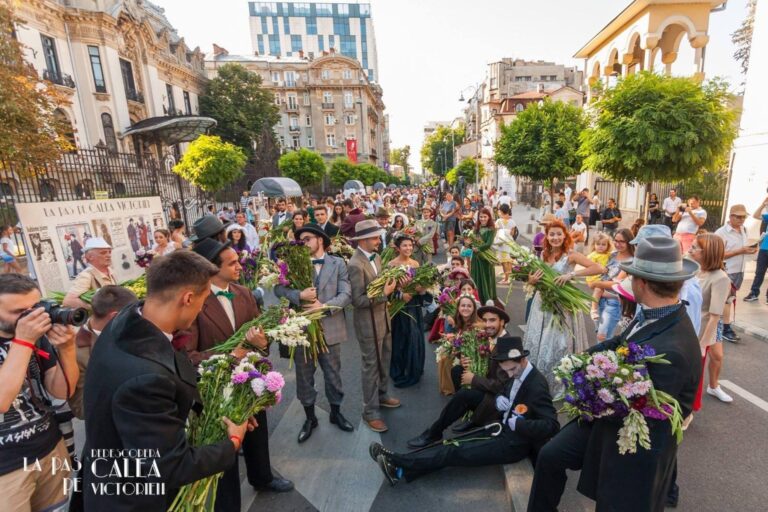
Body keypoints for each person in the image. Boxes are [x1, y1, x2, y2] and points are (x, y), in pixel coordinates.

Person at [528, 237, 702, 512]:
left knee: (615, 501)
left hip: (634, 437)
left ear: (642, 283)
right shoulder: (655, 312)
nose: (628, 280)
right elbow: (621, 344)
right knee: (550, 455)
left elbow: (644, 410)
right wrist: (582, 358)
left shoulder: (673, 348)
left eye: (631, 276)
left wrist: (587, 383)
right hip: (609, 415)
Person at [82, 251, 253, 510]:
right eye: (204, 301)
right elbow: (171, 465)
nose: (201, 310)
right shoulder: (145, 380)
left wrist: (220, 406)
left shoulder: (129, 318)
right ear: (188, 298)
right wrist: (233, 442)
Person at [183, 239, 293, 508]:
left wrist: (261, 344)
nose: (239, 266)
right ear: (211, 268)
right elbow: (188, 357)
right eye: (232, 262)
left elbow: (262, 339)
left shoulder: (244, 293)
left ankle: (262, 476)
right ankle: (228, 503)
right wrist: (238, 353)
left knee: (257, 434)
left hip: (251, 382)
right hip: (217, 389)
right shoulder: (195, 302)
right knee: (225, 448)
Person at [371, 336, 559, 485]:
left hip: (513, 444)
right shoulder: (516, 371)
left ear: (523, 359)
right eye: (507, 370)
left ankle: (397, 461)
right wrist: (502, 397)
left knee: (453, 452)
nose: (510, 374)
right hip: (500, 428)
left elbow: (552, 425)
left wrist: (520, 424)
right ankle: (401, 469)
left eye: (512, 370)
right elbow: (506, 387)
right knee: (450, 445)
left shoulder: (537, 385)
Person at [0, 274, 79, 512]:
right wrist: (23, 343)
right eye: (19, 312)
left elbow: (62, 391)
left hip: (49, 449)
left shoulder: (36, 337)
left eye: (34, 308)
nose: (31, 317)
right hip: (6, 469)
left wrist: (66, 348)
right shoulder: (28, 337)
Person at [274, 224, 354, 443]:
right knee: (304, 376)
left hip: (331, 327)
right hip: (301, 331)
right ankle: (310, 418)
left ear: (320, 239)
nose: (303, 243)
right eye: (300, 240)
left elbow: (346, 293)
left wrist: (323, 307)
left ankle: (336, 413)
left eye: (307, 239)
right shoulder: (292, 264)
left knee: (333, 373)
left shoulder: (338, 263)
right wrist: (298, 294)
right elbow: (278, 289)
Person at [409, 303, 512, 447]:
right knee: (457, 371)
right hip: (487, 384)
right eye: (485, 320)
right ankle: (468, 414)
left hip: (497, 399)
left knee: (464, 395)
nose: (488, 324)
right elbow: (482, 359)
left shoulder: (507, 345)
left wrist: (473, 378)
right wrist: (466, 360)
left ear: (502, 322)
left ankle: (434, 433)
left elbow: (502, 386)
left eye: (492, 320)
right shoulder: (490, 336)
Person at [523, 220, 604, 395]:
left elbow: (599, 267)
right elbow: (531, 279)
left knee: (560, 344)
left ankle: (560, 382)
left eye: (559, 234)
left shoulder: (571, 255)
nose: (555, 237)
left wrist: (572, 274)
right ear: (547, 236)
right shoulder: (542, 255)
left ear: (565, 235)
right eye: (551, 234)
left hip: (562, 306)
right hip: (542, 304)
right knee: (540, 341)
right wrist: (531, 281)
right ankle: (539, 382)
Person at [348, 220, 401, 432]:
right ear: (363, 240)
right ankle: (370, 411)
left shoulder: (377, 257)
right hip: (367, 324)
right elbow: (358, 301)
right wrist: (384, 295)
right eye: (375, 238)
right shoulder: (354, 264)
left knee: (384, 360)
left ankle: (382, 395)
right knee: (371, 366)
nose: (379, 241)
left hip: (384, 319)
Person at [69, 285, 138, 421]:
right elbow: (82, 409)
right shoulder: (77, 352)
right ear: (115, 317)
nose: (136, 321)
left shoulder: (129, 332)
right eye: (133, 316)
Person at [688, 234, 733, 410]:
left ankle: (710, 389)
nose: (689, 250)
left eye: (694, 248)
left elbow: (715, 316)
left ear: (708, 253)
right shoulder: (693, 268)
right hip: (687, 324)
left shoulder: (720, 278)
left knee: (713, 358)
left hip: (704, 328)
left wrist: (702, 345)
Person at [388, 234, 429, 388]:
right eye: (405, 246)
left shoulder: (415, 264)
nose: (408, 248)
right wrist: (400, 294)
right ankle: (400, 368)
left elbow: (420, 286)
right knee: (400, 337)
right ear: (398, 248)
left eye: (410, 245)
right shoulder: (391, 265)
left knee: (415, 336)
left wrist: (421, 288)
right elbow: (387, 289)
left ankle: (414, 366)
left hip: (414, 304)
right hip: (399, 306)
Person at [715, 204, 756, 343]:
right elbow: (717, 255)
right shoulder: (721, 233)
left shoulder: (744, 229)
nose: (741, 219)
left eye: (743, 217)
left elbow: (743, 249)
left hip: (740, 270)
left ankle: (719, 325)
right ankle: (726, 328)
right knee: (728, 300)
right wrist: (741, 251)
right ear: (730, 216)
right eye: (738, 216)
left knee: (728, 300)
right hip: (727, 270)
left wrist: (750, 250)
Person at [590, 229, 635, 342]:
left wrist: (596, 283)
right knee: (601, 334)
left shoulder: (631, 261)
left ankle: (601, 358)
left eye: (622, 241)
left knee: (603, 335)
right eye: (616, 240)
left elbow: (617, 284)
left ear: (629, 242)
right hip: (601, 299)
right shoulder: (612, 255)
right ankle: (600, 358)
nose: (618, 244)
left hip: (614, 302)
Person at [437, 294, 483, 395]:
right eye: (463, 305)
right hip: (462, 350)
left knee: (447, 358)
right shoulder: (459, 320)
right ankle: (450, 388)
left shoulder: (476, 326)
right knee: (443, 353)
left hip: (472, 357)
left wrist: (457, 350)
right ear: (458, 308)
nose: (465, 308)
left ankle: (453, 389)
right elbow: (458, 337)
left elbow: (475, 348)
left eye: (469, 306)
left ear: (474, 309)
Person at [63, 237, 116, 309]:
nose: (108, 255)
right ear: (90, 257)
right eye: (103, 253)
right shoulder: (86, 275)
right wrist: (97, 309)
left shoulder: (110, 271)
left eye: (109, 252)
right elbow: (69, 301)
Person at [470, 208, 498, 304]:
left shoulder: (492, 229)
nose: (482, 219)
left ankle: (487, 298)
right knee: (476, 276)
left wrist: (479, 249)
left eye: (485, 216)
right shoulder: (476, 228)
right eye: (481, 217)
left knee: (486, 277)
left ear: (489, 217)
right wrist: (471, 245)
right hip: (476, 257)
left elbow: (489, 243)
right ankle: (477, 297)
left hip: (485, 257)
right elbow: (472, 240)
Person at [585, 232, 614, 321]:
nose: (600, 246)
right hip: (594, 278)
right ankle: (593, 309)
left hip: (603, 278)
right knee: (598, 290)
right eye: (598, 244)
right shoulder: (592, 256)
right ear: (594, 245)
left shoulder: (609, 254)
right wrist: (600, 268)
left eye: (603, 244)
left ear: (607, 245)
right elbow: (590, 267)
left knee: (604, 293)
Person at [744, 196, 768, 303]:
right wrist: (763, 204)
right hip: (764, 248)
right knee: (759, 272)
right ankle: (754, 293)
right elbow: (756, 215)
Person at [494, 204, 518, 284]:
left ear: (501, 211)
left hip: (502, 244)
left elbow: (495, 230)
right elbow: (512, 233)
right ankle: (509, 278)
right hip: (510, 243)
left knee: (504, 261)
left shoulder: (499, 221)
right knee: (509, 260)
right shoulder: (512, 221)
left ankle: (506, 278)